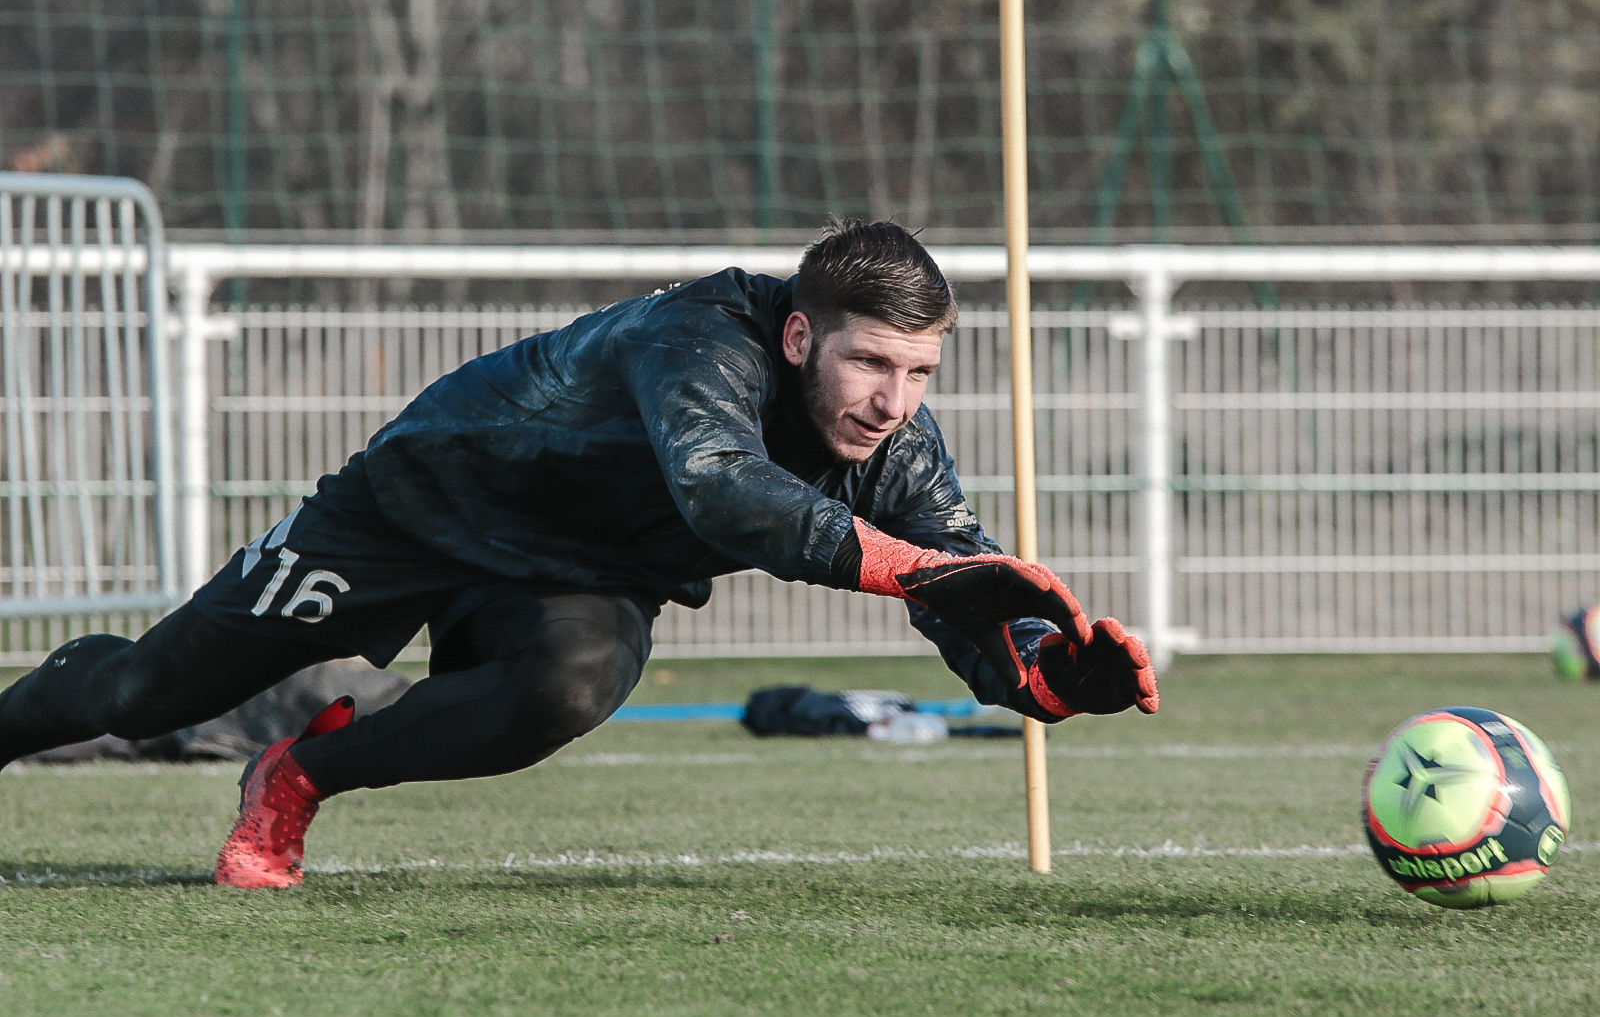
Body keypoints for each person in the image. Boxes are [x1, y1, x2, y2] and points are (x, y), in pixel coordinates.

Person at [0, 220, 1159, 889]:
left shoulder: (890, 439)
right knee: (149, 691)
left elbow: (961, 570)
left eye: (919, 374)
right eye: (869, 365)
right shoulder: (701, 337)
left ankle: (297, 778)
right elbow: (722, 491)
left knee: (573, 682)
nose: (892, 403)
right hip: (414, 508)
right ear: (800, 334)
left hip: (570, 577)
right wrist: (923, 573)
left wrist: (1036, 664)